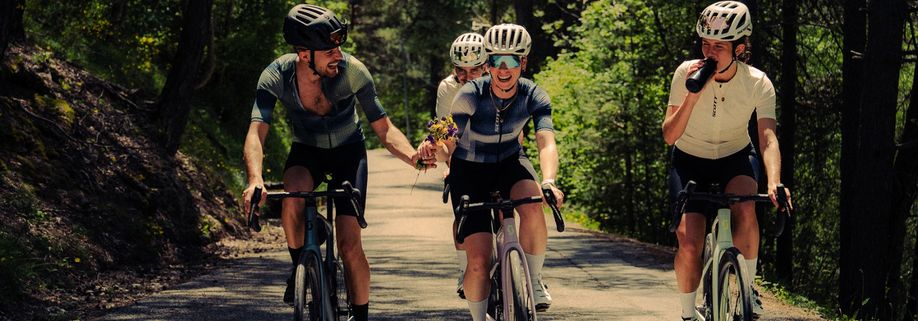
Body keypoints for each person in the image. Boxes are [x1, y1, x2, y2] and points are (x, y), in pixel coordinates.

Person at [240, 4, 425, 321]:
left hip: (348, 152)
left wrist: (412, 156)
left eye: (338, 46)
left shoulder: (353, 72)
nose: (337, 54)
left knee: (350, 243)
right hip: (306, 150)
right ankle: (299, 265)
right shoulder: (276, 76)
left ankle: (361, 314)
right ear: (303, 54)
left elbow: (384, 128)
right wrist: (255, 178)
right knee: (293, 196)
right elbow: (256, 130)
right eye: (328, 49)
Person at [420, 23, 565, 321]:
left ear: (523, 63)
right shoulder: (470, 93)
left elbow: (545, 140)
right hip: (469, 171)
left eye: (511, 60)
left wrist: (549, 180)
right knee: (477, 261)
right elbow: (450, 129)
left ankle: (534, 279)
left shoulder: (534, 95)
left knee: (534, 203)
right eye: (495, 60)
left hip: (510, 162)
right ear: (487, 64)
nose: (502, 69)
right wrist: (432, 143)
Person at [661, 2, 794, 320]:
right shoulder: (686, 73)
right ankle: (687, 313)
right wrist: (692, 95)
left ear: (740, 48)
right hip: (689, 159)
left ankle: (747, 293)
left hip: (735, 157)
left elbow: (768, 139)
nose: (709, 52)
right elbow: (669, 135)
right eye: (705, 44)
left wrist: (775, 182)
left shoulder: (758, 82)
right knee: (689, 243)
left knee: (746, 208)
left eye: (718, 46)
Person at [436, 32, 489, 300]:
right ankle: (463, 268)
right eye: (460, 71)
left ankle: (518, 263)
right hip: (463, 153)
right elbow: (446, 132)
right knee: (463, 214)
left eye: (474, 71)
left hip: (497, 154)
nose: (467, 77)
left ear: (486, 66)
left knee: (507, 209)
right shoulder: (448, 87)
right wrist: (448, 158)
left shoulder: (499, 84)